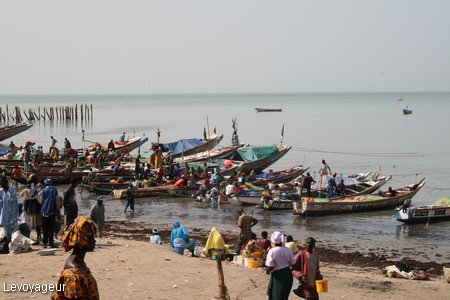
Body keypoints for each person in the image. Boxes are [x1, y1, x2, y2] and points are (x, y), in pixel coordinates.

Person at [51, 216, 99, 300]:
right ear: (81, 240)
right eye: (91, 238)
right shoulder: (74, 272)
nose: (94, 241)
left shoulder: (80, 263)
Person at [265, 231, 296, 300]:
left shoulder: (272, 251)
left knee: (276, 296)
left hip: (278, 276)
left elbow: (270, 266)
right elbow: (293, 262)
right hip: (288, 274)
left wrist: (268, 271)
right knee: (284, 295)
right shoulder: (288, 250)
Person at [38, 178, 59, 248]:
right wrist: (58, 210)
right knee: (51, 228)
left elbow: (40, 201)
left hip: (44, 212)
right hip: (52, 212)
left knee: (44, 229)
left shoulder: (42, 191)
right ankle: (51, 243)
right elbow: (57, 202)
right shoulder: (55, 191)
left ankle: (44, 243)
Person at [0, 177, 19, 241]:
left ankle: (14, 240)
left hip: (13, 210)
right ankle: (8, 241)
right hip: (5, 211)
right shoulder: (1, 191)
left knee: (14, 226)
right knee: (6, 226)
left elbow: (13, 198)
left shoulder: (12, 189)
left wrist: (7, 192)